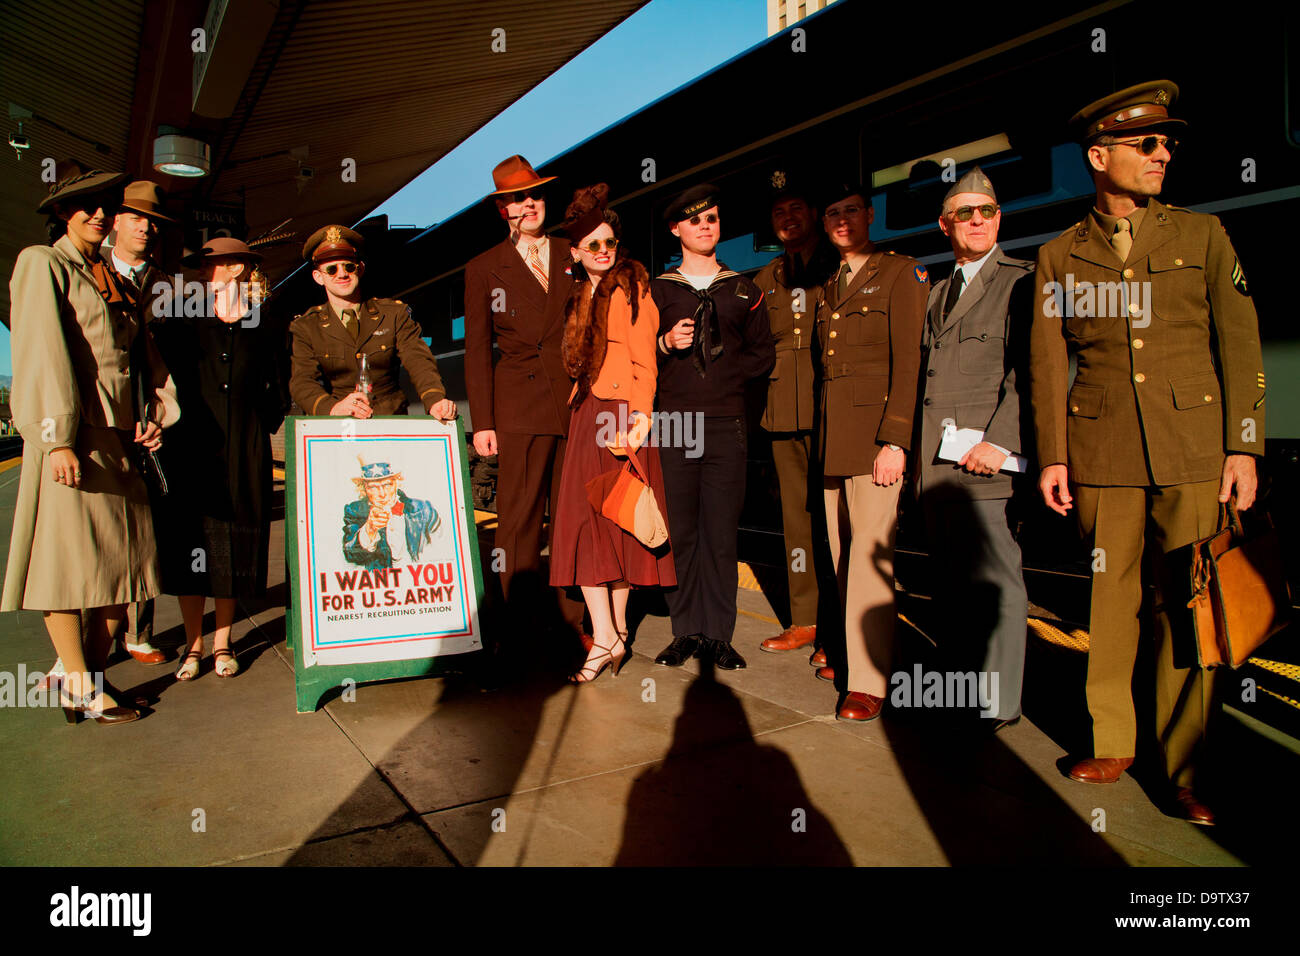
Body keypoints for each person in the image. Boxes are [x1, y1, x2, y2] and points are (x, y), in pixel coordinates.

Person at [1029, 81, 1266, 824]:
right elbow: (1045, 365)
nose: (1164, 154)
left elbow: (1240, 344)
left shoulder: (1203, 237)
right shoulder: (1059, 256)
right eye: (1147, 144)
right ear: (1100, 157)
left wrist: (1243, 445)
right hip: (1101, 451)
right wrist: (1054, 456)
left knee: (1192, 606)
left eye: (1168, 144)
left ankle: (1185, 765)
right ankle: (1114, 740)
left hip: (1193, 448)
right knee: (1112, 598)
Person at [1, 161, 179, 723]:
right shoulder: (43, 263)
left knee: (119, 567)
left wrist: (153, 414)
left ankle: (86, 677)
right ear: (59, 211)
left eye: (108, 205)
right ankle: (80, 682)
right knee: (66, 563)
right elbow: (42, 352)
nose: (100, 215)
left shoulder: (105, 278)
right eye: (87, 206)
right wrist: (56, 438)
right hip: (75, 436)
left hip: (119, 441)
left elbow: (135, 361)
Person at [915, 167, 1033, 729]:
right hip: (937, 466)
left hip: (985, 459)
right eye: (965, 213)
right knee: (952, 583)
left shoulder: (1021, 280)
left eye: (987, 210)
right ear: (946, 225)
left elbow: (1030, 372)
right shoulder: (938, 291)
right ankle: (962, 689)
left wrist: (1001, 440)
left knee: (996, 580)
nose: (978, 220)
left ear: (999, 218)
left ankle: (997, 703)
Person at [548, 184, 676, 682]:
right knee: (588, 523)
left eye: (610, 244)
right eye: (593, 246)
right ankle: (611, 633)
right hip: (587, 413)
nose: (604, 253)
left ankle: (609, 635)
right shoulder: (581, 294)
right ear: (576, 253)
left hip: (621, 414)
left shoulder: (633, 288)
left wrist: (640, 418)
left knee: (619, 520)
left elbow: (646, 360)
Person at [463, 155, 586, 659]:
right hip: (519, 404)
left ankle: (571, 621)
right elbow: (476, 348)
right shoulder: (484, 267)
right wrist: (483, 422)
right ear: (501, 210)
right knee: (518, 520)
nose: (528, 203)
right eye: (516, 198)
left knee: (573, 517)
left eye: (534, 195)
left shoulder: (572, 253)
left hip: (576, 401)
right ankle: (512, 624)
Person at [650, 184, 775, 671]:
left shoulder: (745, 288)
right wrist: (664, 342)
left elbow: (763, 353)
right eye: (696, 221)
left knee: (721, 532)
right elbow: (638, 357)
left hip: (726, 422)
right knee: (682, 532)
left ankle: (719, 635)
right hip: (677, 423)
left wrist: (728, 380)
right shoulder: (658, 291)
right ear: (677, 230)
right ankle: (686, 632)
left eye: (714, 219)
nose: (706, 227)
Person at [815, 183, 927, 720]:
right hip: (835, 437)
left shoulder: (902, 272)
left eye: (850, 211)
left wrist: (896, 439)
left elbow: (909, 361)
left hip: (876, 439)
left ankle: (869, 681)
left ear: (870, 216)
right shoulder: (830, 281)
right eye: (833, 213)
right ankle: (861, 651)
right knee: (843, 556)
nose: (842, 220)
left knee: (869, 559)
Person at [153, 238, 288, 680]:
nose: (212, 271)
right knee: (191, 540)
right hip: (189, 444)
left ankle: (222, 644)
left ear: (240, 269)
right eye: (207, 264)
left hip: (245, 443)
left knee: (233, 542)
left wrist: (263, 419)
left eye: (223, 263)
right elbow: (155, 372)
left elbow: (277, 380)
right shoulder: (177, 318)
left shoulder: (263, 322)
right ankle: (192, 647)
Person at [753, 169, 838, 663]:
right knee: (797, 521)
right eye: (779, 213)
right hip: (784, 410)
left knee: (836, 523)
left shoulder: (839, 267)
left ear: (814, 215)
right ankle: (805, 619)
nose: (788, 218)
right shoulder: (765, 281)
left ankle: (838, 627)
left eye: (796, 209)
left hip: (835, 409)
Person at [104, 179, 179, 666]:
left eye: (153, 222)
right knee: (97, 529)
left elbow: (171, 360)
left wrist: (157, 416)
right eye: (137, 218)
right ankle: (84, 640)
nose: (147, 228)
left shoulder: (168, 286)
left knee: (145, 527)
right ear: (114, 221)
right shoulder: (86, 271)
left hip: (149, 422)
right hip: (102, 418)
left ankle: (138, 631)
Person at [289, 225, 456, 420]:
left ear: (360, 269)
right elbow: (302, 382)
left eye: (348, 266)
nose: (342, 274)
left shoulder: (394, 314)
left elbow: (418, 361)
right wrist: (333, 408)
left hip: (390, 421)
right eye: (332, 269)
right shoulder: (307, 326)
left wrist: (434, 399)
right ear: (318, 277)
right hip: (337, 427)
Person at [343, 457, 441, 569]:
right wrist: (369, 529)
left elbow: (440, 549)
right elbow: (350, 554)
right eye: (373, 487)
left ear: (397, 482)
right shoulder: (355, 511)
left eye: (387, 485)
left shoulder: (423, 509)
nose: (382, 494)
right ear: (364, 488)